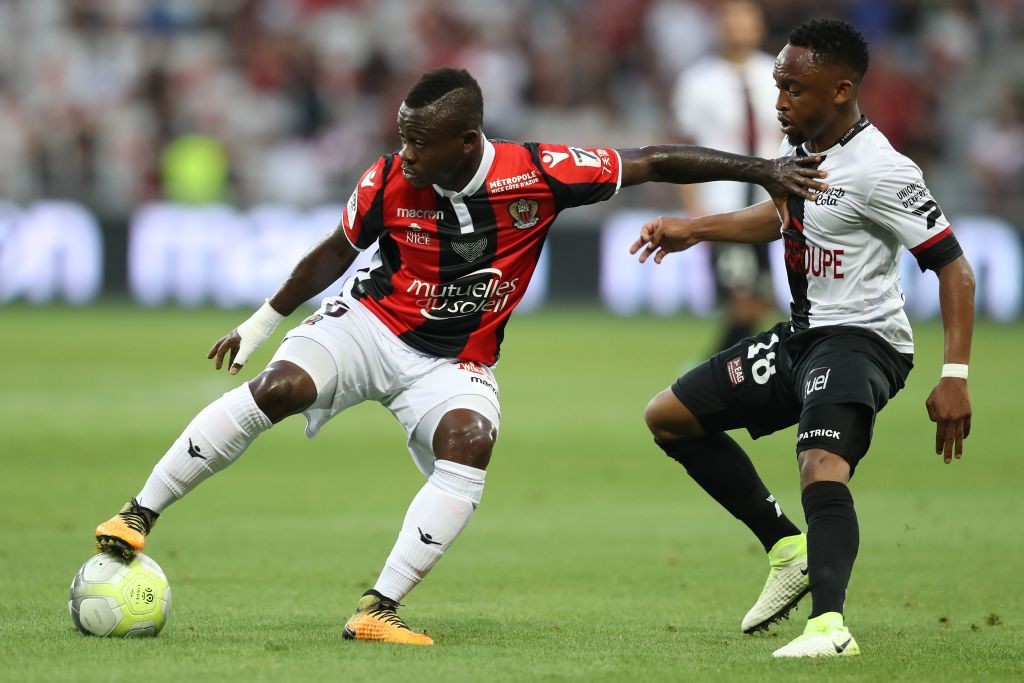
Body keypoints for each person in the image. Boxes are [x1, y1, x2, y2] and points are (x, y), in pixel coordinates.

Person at [94, 67, 825, 646]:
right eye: (403, 139)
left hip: (454, 363)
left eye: (420, 143)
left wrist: (761, 169)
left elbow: (653, 159)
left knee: (471, 441)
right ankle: (136, 514)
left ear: (467, 140)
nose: (405, 154)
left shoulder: (539, 172)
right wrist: (261, 323)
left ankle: (378, 608)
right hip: (368, 325)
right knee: (281, 385)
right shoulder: (387, 180)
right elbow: (333, 254)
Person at [631, 20, 974, 658]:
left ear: (841, 91)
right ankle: (787, 546)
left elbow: (953, 266)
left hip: (862, 342)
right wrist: (697, 229)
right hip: (802, 337)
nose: (781, 101)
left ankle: (829, 629)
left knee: (820, 466)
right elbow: (783, 214)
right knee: (670, 418)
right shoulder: (804, 155)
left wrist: (954, 376)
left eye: (795, 89)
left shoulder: (884, 170)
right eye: (778, 85)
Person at [670, 0, 779, 352]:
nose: (738, 28)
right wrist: (694, 210)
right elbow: (682, 149)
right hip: (723, 205)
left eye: (745, 20)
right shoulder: (698, 81)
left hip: (768, 206)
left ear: (758, 27)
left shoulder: (778, 74)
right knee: (742, 300)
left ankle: (712, 378)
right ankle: (708, 379)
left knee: (759, 302)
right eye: (731, 21)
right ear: (720, 28)